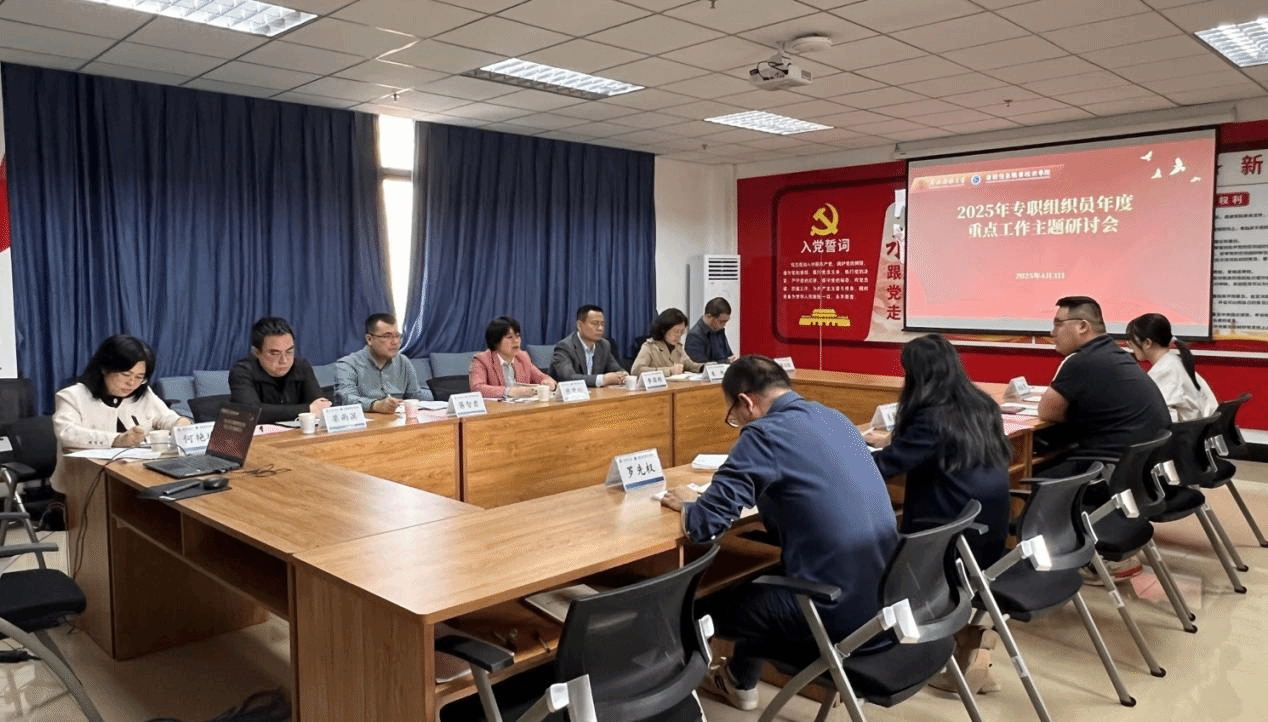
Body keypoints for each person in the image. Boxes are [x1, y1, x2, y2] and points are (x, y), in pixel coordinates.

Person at [659, 355, 897, 711]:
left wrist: (692, 504)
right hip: (883, 597)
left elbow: (705, 526)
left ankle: (672, 709)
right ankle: (740, 680)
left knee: (687, 605)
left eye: (733, 416)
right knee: (764, 570)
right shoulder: (835, 418)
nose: (737, 424)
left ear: (746, 402)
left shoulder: (764, 433)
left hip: (832, 610)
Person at [864, 334, 1012, 694]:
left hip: (946, 539)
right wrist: (895, 442)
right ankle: (973, 641)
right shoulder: (981, 405)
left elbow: (886, 467)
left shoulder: (931, 416)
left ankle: (950, 642)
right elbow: (932, 447)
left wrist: (846, 458)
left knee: (866, 554)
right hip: (986, 532)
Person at [1038, 296, 1169, 456]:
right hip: (1139, 461)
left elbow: (1046, 411)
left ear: (1082, 326)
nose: (1052, 332)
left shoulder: (1082, 361)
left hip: (1108, 462)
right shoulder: (1117, 354)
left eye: (1058, 324)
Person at [53, 334, 190, 452]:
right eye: (126, 374)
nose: (132, 383)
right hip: (88, 471)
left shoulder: (143, 393)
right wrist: (116, 440)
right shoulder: (72, 396)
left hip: (137, 467)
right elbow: (67, 434)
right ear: (104, 368)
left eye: (139, 377)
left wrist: (179, 422)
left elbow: (165, 417)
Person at [229, 316, 332, 424]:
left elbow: (319, 405)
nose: (284, 360)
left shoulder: (301, 366)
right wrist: (307, 409)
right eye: (275, 353)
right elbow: (251, 412)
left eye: (289, 351)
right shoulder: (242, 371)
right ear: (256, 352)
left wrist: (317, 407)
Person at [1125, 313, 1218, 422]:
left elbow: (1164, 420)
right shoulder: (1174, 362)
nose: (1128, 345)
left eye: (1132, 340)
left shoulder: (1165, 371)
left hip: (1189, 431)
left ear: (1147, 343)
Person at [335, 313, 429, 413]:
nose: (395, 342)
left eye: (397, 336)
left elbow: (415, 396)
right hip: (366, 421)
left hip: (398, 420)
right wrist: (375, 405)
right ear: (369, 339)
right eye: (387, 336)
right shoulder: (347, 365)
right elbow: (346, 399)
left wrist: (438, 395)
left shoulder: (403, 362)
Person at [469, 316, 558, 399]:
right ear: (495, 341)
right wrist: (510, 391)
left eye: (518, 336)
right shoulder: (481, 360)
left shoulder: (522, 357)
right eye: (510, 337)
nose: (516, 341)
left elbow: (541, 377)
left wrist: (548, 382)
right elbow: (477, 388)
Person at [550, 304, 627, 388]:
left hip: (595, 394)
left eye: (602, 324)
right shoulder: (565, 347)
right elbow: (568, 378)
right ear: (579, 325)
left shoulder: (604, 345)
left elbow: (616, 369)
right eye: (595, 323)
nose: (600, 328)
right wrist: (602, 380)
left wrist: (623, 375)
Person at [630, 308, 703, 377]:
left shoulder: (678, 347)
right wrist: (669, 371)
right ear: (664, 330)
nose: (678, 335)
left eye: (681, 332)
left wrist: (703, 367)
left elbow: (690, 365)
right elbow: (636, 370)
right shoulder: (650, 347)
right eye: (676, 331)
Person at [684, 297, 736, 364]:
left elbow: (728, 355)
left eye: (726, 321)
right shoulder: (694, 336)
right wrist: (726, 361)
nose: (724, 325)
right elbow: (700, 366)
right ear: (709, 316)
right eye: (721, 321)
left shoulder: (719, 330)